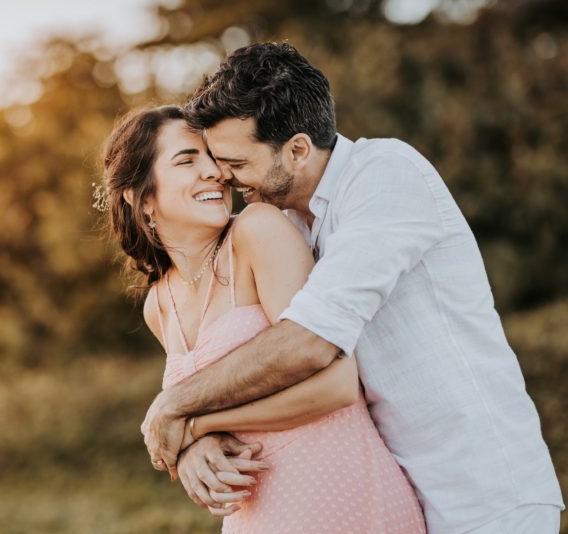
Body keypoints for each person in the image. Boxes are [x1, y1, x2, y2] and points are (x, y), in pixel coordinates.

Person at [140, 42, 564, 533]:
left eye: (235, 161)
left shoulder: (385, 176)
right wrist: (196, 435)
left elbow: (310, 341)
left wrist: (176, 406)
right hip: (405, 492)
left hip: (485, 490)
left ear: (297, 150)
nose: (224, 177)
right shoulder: (288, 223)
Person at [99, 105, 426, 532]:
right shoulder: (158, 305)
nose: (216, 172)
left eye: (212, 158)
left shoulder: (257, 231)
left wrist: (196, 425)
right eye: (187, 161)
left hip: (343, 497)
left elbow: (339, 385)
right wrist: (195, 446)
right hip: (259, 517)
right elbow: (212, 400)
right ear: (141, 197)